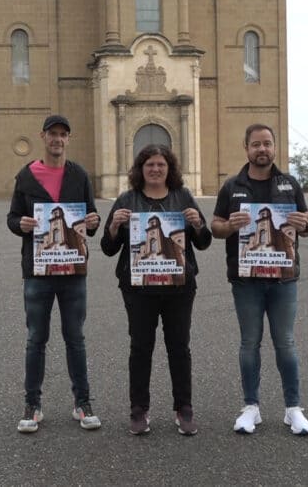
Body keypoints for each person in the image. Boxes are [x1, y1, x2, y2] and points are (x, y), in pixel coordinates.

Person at [101, 144, 212, 436]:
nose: (155, 169)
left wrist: (198, 224)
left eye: (161, 164)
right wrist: (113, 226)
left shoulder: (183, 197)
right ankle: (139, 410)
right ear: (140, 169)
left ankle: (183, 408)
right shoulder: (127, 199)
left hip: (179, 287)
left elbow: (203, 242)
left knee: (179, 347)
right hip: (138, 288)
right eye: (149, 164)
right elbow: (108, 248)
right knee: (140, 348)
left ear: (169, 168)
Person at [211, 124, 308, 436]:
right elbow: (215, 227)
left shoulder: (290, 185)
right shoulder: (232, 186)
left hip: (283, 279)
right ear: (246, 148)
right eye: (256, 144)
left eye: (267, 144)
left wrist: (305, 225)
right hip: (246, 280)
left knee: (285, 343)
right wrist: (229, 226)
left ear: (274, 147)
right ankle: (251, 407)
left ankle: (293, 409)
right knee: (249, 343)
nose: (262, 149)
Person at [7, 114, 102, 433]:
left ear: (68, 139)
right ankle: (32, 404)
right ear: (43, 137)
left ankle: (83, 402)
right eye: (52, 134)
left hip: (73, 269)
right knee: (36, 338)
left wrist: (93, 222)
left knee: (75, 337)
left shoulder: (78, 175)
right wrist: (20, 225)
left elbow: (92, 214)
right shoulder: (26, 175)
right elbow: (12, 217)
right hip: (38, 269)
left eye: (63, 134)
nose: (57, 139)